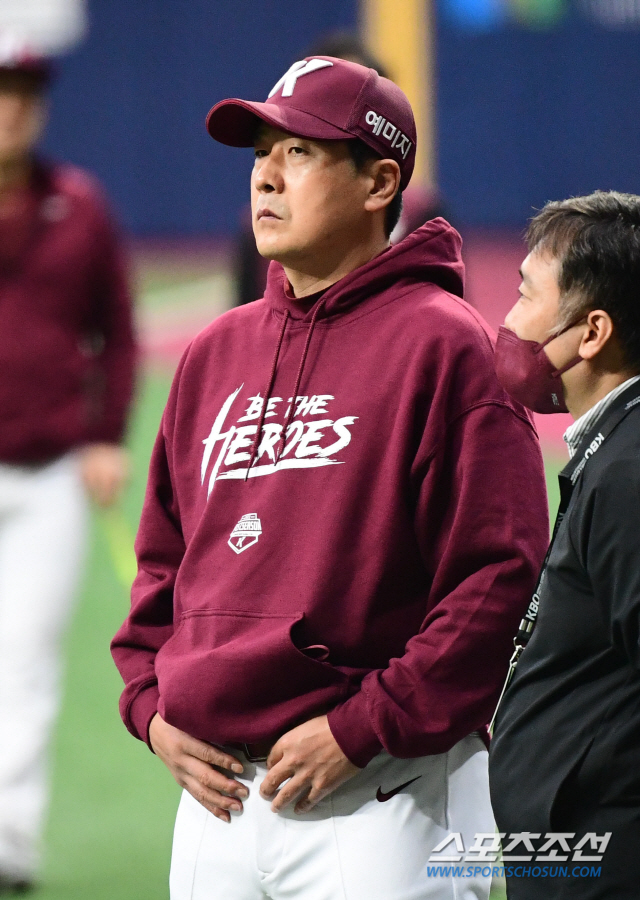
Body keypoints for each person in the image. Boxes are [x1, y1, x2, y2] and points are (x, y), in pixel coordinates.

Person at [112, 56, 548, 900]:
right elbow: (165, 560)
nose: (266, 177)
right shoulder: (215, 352)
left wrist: (363, 727)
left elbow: (499, 578)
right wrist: (151, 710)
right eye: (259, 154)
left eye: (300, 152)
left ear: (379, 182)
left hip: (383, 793)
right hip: (215, 802)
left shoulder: (447, 347)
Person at [0, 35, 137, 894]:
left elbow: (116, 332)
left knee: (27, 661)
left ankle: (8, 844)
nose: (10, 108)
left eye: (23, 93)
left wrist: (106, 435)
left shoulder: (79, 205)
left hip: (49, 474)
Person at [489, 191, 640, 900]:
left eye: (526, 295)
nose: (509, 320)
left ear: (592, 332)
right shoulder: (615, 449)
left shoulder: (630, 471)